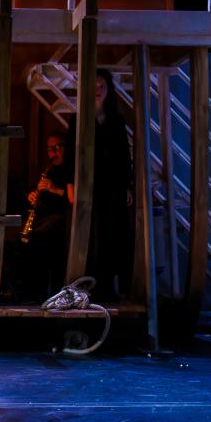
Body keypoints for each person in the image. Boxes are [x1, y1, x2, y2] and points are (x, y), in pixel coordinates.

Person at [65, 69, 134, 302]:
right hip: (89, 184)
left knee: (113, 234)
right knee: (92, 234)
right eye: (94, 87)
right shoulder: (79, 119)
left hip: (112, 184)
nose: (98, 91)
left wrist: (127, 184)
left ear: (108, 89)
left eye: (102, 86)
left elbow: (124, 155)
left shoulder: (116, 119)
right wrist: (70, 183)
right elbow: (70, 154)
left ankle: (109, 287)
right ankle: (88, 286)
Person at [14, 133, 70, 301]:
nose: (52, 153)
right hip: (45, 218)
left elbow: (75, 200)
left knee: (35, 238)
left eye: (56, 148)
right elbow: (43, 200)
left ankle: (38, 291)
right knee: (22, 241)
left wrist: (54, 189)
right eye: (49, 149)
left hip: (62, 219)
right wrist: (34, 197)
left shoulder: (71, 170)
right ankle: (26, 290)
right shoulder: (49, 170)